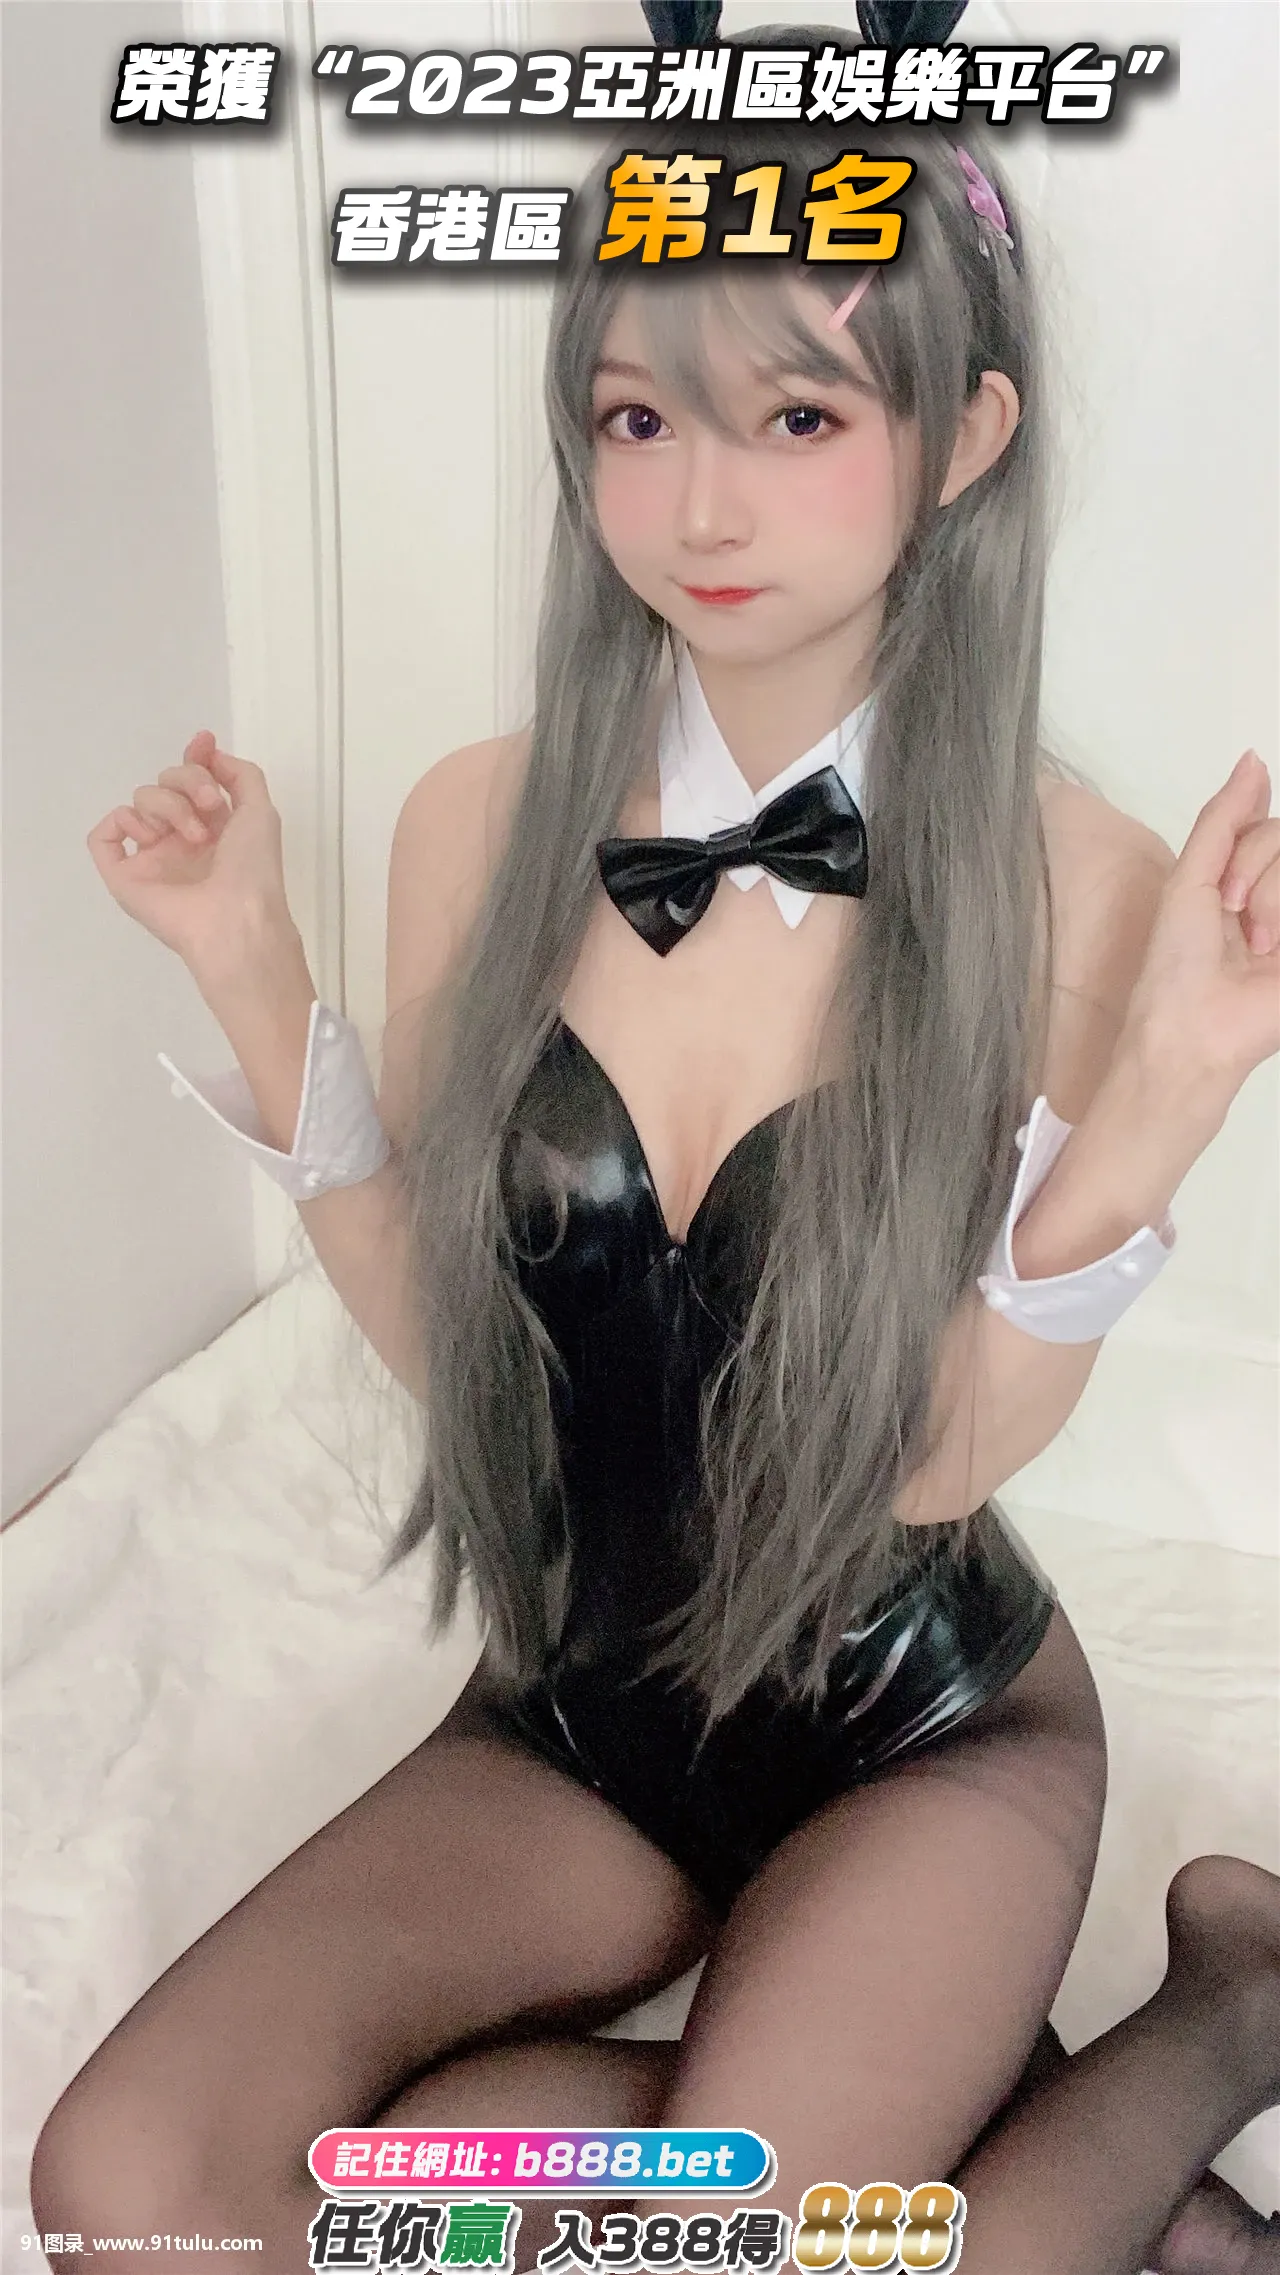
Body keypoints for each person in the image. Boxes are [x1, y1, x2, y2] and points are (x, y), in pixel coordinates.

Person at [39, 13, 1280, 2273]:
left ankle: (1220, 2010)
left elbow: (930, 1459)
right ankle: (1002, 2143)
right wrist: (248, 968)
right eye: (637, 417)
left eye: (798, 417)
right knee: (132, 2189)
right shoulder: (480, 822)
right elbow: (467, 1348)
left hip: (920, 1731)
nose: (700, 506)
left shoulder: (1079, 890)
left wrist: (1176, 1088)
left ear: (964, 436)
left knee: (742, 2247)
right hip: (580, 1719)